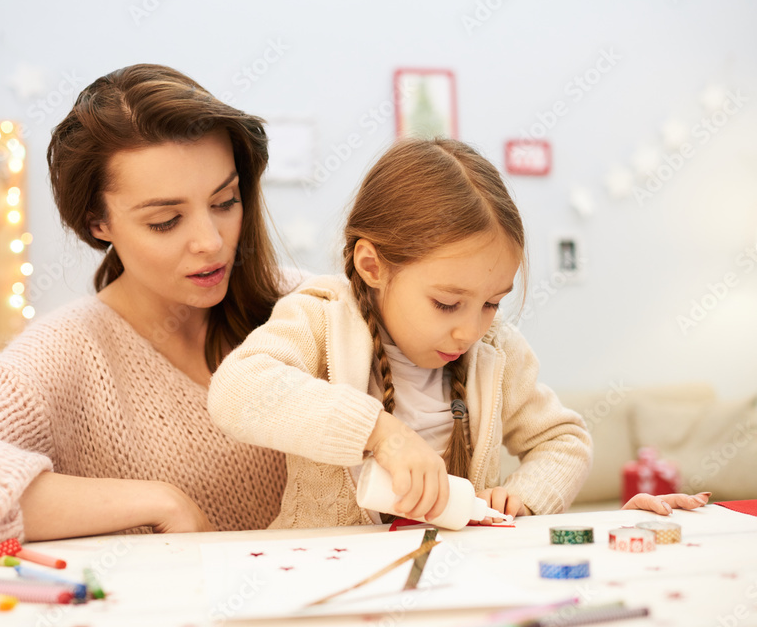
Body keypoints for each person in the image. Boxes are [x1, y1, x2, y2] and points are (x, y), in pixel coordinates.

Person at [0, 64, 290, 554]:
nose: (211, 242)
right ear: (98, 221)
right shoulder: (68, 352)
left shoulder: (310, 311)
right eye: (166, 221)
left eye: (225, 201)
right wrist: (160, 502)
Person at [208, 137, 594, 529]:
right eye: (446, 303)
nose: (470, 331)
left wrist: (525, 497)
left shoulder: (498, 350)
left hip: (452, 575)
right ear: (372, 267)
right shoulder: (321, 319)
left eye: (491, 303)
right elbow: (237, 390)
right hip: (323, 573)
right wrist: (381, 433)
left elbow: (564, 440)